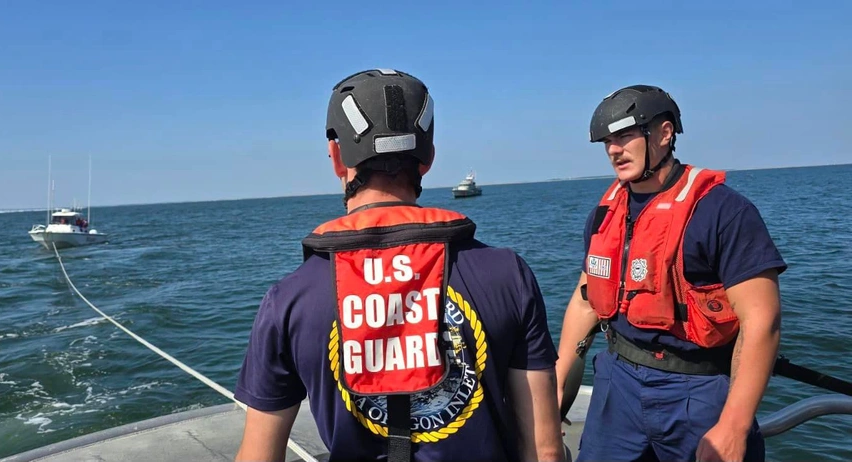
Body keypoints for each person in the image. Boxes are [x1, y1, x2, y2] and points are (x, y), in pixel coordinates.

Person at [233, 69, 565, 462]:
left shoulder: (288, 299)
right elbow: (544, 451)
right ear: (428, 159)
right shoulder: (509, 274)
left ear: (337, 158)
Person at [554, 85, 787, 462]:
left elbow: (762, 321)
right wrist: (559, 379)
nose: (614, 149)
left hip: (699, 389)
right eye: (607, 141)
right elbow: (587, 301)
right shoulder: (605, 213)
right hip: (618, 382)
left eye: (626, 135)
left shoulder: (724, 213)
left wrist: (734, 424)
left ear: (664, 134)